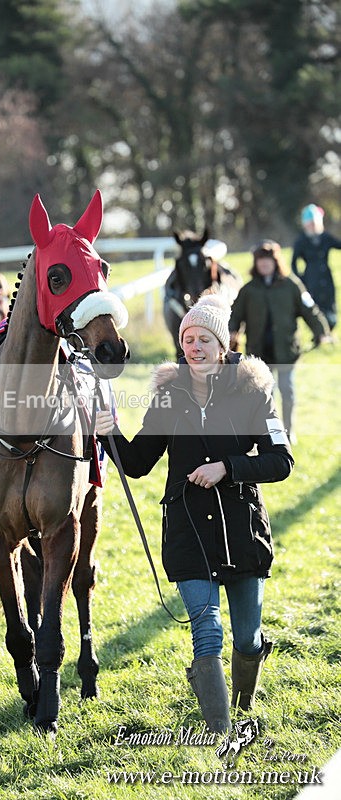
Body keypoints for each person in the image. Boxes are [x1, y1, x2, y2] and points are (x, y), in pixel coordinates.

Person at [95, 294, 294, 733]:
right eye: (188, 339)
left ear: (222, 346)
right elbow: (138, 462)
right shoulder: (169, 395)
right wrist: (109, 433)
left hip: (241, 532)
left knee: (247, 638)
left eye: (204, 339)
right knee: (207, 631)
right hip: (188, 531)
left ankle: (242, 701)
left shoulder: (253, 392)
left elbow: (281, 461)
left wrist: (228, 468)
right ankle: (219, 734)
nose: (195, 347)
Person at [229, 240, 330, 443]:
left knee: (287, 391)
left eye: (268, 260)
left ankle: (289, 431)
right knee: (267, 395)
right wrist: (231, 332)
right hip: (259, 352)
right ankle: (274, 434)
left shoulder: (291, 285)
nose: (264, 264)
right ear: (256, 263)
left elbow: (309, 309)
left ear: (276, 261)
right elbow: (235, 314)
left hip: (286, 351)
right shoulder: (248, 290)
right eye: (260, 260)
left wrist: (321, 331)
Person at [291, 204, 341, 329]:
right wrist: (300, 279)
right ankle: (320, 332)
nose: (313, 226)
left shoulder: (325, 237)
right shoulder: (301, 241)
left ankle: (329, 330)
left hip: (326, 277)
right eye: (310, 223)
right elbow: (294, 263)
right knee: (316, 308)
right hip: (311, 278)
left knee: (330, 307)